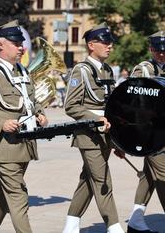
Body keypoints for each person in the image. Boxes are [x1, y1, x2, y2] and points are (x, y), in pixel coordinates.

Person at [0, 20, 48, 233]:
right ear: (1, 45)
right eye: (16, 43)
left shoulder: (23, 72)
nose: (21, 48)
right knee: (18, 195)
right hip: (4, 148)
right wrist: (0, 123)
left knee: (2, 195)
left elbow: (31, 101)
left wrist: (40, 114)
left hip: (25, 145)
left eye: (21, 43)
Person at [63, 23, 125, 233]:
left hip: (106, 135)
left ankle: (71, 224)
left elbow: (111, 106)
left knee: (88, 179)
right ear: (91, 45)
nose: (110, 47)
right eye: (105, 42)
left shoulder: (107, 70)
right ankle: (114, 226)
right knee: (102, 179)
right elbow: (70, 105)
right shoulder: (81, 70)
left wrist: (118, 140)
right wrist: (95, 119)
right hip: (88, 136)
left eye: (110, 43)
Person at [126, 31, 165, 233]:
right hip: (149, 134)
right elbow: (131, 100)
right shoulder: (143, 69)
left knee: (149, 177)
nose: (162, 54)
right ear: (151, 50)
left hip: (164, 132)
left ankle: (135, 219)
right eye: (158, 51)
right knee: (164, 176)